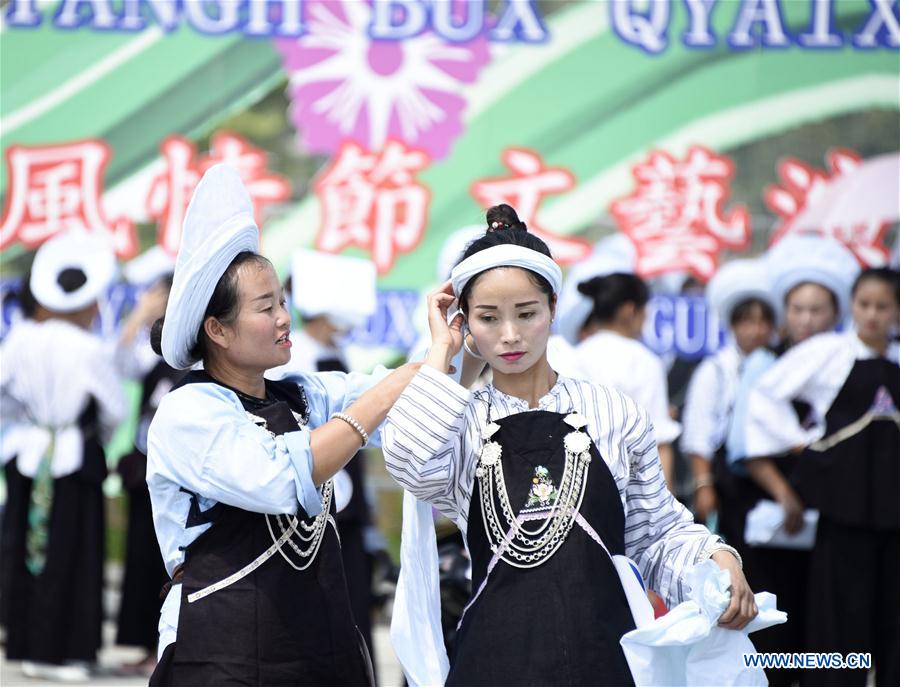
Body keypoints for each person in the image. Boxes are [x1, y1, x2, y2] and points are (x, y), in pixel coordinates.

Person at [382, 204, 755, 686]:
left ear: (553, 308)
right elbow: (409, 462)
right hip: (494, 663)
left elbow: (654, 531)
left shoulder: (611, 411)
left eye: (527, 313)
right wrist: (441, 352)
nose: (510, 335)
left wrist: (716, 559)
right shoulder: (461, 418)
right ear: (465, 322)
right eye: (488, 318)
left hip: (604, 657)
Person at [145, 164, 419, 686]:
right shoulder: (190, 414)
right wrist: (384, 395)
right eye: (265, 307)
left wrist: (461, 341)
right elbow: (277, 480)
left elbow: (401, 397)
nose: (284, 319)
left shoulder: (298, 393)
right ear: (217, 330)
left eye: (283, 302)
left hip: (318, 643)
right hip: (222, 650)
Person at [743, 267, 900, 686]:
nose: (872, 315)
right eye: (864, 305)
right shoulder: (829, 352)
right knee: (841, 617)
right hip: (845, 507)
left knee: (893, 616)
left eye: (882, 307)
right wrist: (800, 441)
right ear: (852, 305)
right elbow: (766, 393)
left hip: (894, 509)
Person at [724, 234, 860, 686]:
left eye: (816, 309)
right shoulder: (766, 361)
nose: (805, 319)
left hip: (835, 513)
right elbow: (749, 442)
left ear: (837, 313)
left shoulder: (846, 361)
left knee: (822, 617)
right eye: (797, 309)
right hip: (772, 510)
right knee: (772, 617)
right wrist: (786, 496)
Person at [0, 233, 126, 682]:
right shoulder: (89, 348)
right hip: (72, 455)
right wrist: (91, 435)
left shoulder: (21, 339)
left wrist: (30, 421)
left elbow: (3, 395)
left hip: (28, 453)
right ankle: (62, 651)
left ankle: (30, 645)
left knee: (29, 550)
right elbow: (115, 410)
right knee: (72, 553)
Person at [114, 274, 179, 676]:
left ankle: (166, 649)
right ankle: (142, 644)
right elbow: (120, 363)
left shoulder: (194, 346)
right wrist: (140, 316)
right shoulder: (150, 346)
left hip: (181, 470)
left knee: (166, 560)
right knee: (140, 556)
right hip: (147, 468)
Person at [682, 258, 777, 528]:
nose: (756, 331)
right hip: (729, 482)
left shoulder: (781, 366)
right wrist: (704, 485)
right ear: (733, 325)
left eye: (763, 322)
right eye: (747, 322)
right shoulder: (715, 369)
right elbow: (698, 431)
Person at [574, 272, 682, 488]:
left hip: (580, 483)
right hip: (631, 487)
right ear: (629, 310)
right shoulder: (643, 361)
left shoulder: (574, 355)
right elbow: (658, 441)